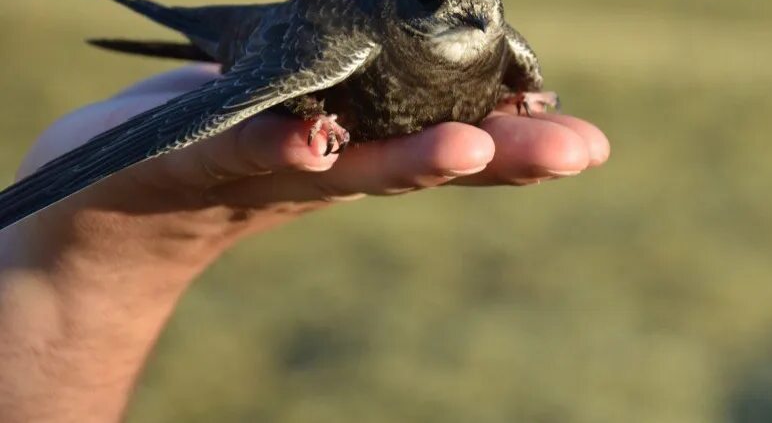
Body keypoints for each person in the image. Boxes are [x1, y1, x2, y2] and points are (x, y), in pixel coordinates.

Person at [0, 64, 609, 421]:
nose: (473, 27)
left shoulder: (489, 40)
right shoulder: (351, 34)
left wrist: (80, 273)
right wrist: (99, 255)